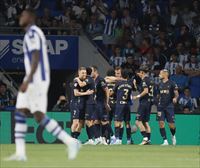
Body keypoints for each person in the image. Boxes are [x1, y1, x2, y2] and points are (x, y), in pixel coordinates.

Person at [5, 9, 80, 161]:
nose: (21, 17)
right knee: (32, 114)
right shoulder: (32, 33)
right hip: (37, 80)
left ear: (31, 17)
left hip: (36, 81)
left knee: (28, 113)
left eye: (24, 14)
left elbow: (36, 57)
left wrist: (27, 80)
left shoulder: (33, 33)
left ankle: (70, 142)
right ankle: (21, 153)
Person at [71, 67, 94, 140]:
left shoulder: (86, 81)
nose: (84, 74)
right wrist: (86, 93)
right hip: (75, 104)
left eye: (85, 73)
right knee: (76, 122)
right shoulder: (76, 81)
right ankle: (72, 139)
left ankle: (75, 138)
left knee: (81, 123)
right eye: (82, 73)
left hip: (83, 104)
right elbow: (76, 93)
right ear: (79, 73)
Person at [157, 69, 179, 146]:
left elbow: (176, 93)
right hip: (160, 107)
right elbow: (158, 95)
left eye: (160, 73)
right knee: (161, 123)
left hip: (169, 106)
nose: (159, 75)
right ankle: (165, 141)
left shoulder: (172, 83)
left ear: (165, 74)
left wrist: (175, 98)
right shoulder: (159, 84)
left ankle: (173, 135)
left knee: (171, 125)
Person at [112, 70, 134, 145]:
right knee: (127, 122)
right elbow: (134, 89)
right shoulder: (130, 83)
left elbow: (112, 93)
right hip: (127, 105)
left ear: (121, 75)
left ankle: (119, 139)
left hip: (120, 105)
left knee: (119, 122)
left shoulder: (118, 83)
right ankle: (129, 140)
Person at [133, 65, 154, 145]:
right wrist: (135, 86)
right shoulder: (151, 80)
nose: (139, 74)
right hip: (149, 102)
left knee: (138, 121)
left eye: (139, 73)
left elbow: (145, 91)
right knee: (145, 122)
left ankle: (145, 138)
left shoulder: (144, 80)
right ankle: (148, 140)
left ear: (142, 72)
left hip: (144, 102)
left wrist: (137, 96)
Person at [91, 65, 111, 145]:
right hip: (96, 103)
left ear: (95, 71)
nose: (90, 73)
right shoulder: (93, 80)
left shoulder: (100, 79)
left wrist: (106, 102)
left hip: (101, 103)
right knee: (96, 121)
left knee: (104, 122)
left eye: (91, 71)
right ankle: (98, 138)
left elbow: (106, 91)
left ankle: (104, 138)